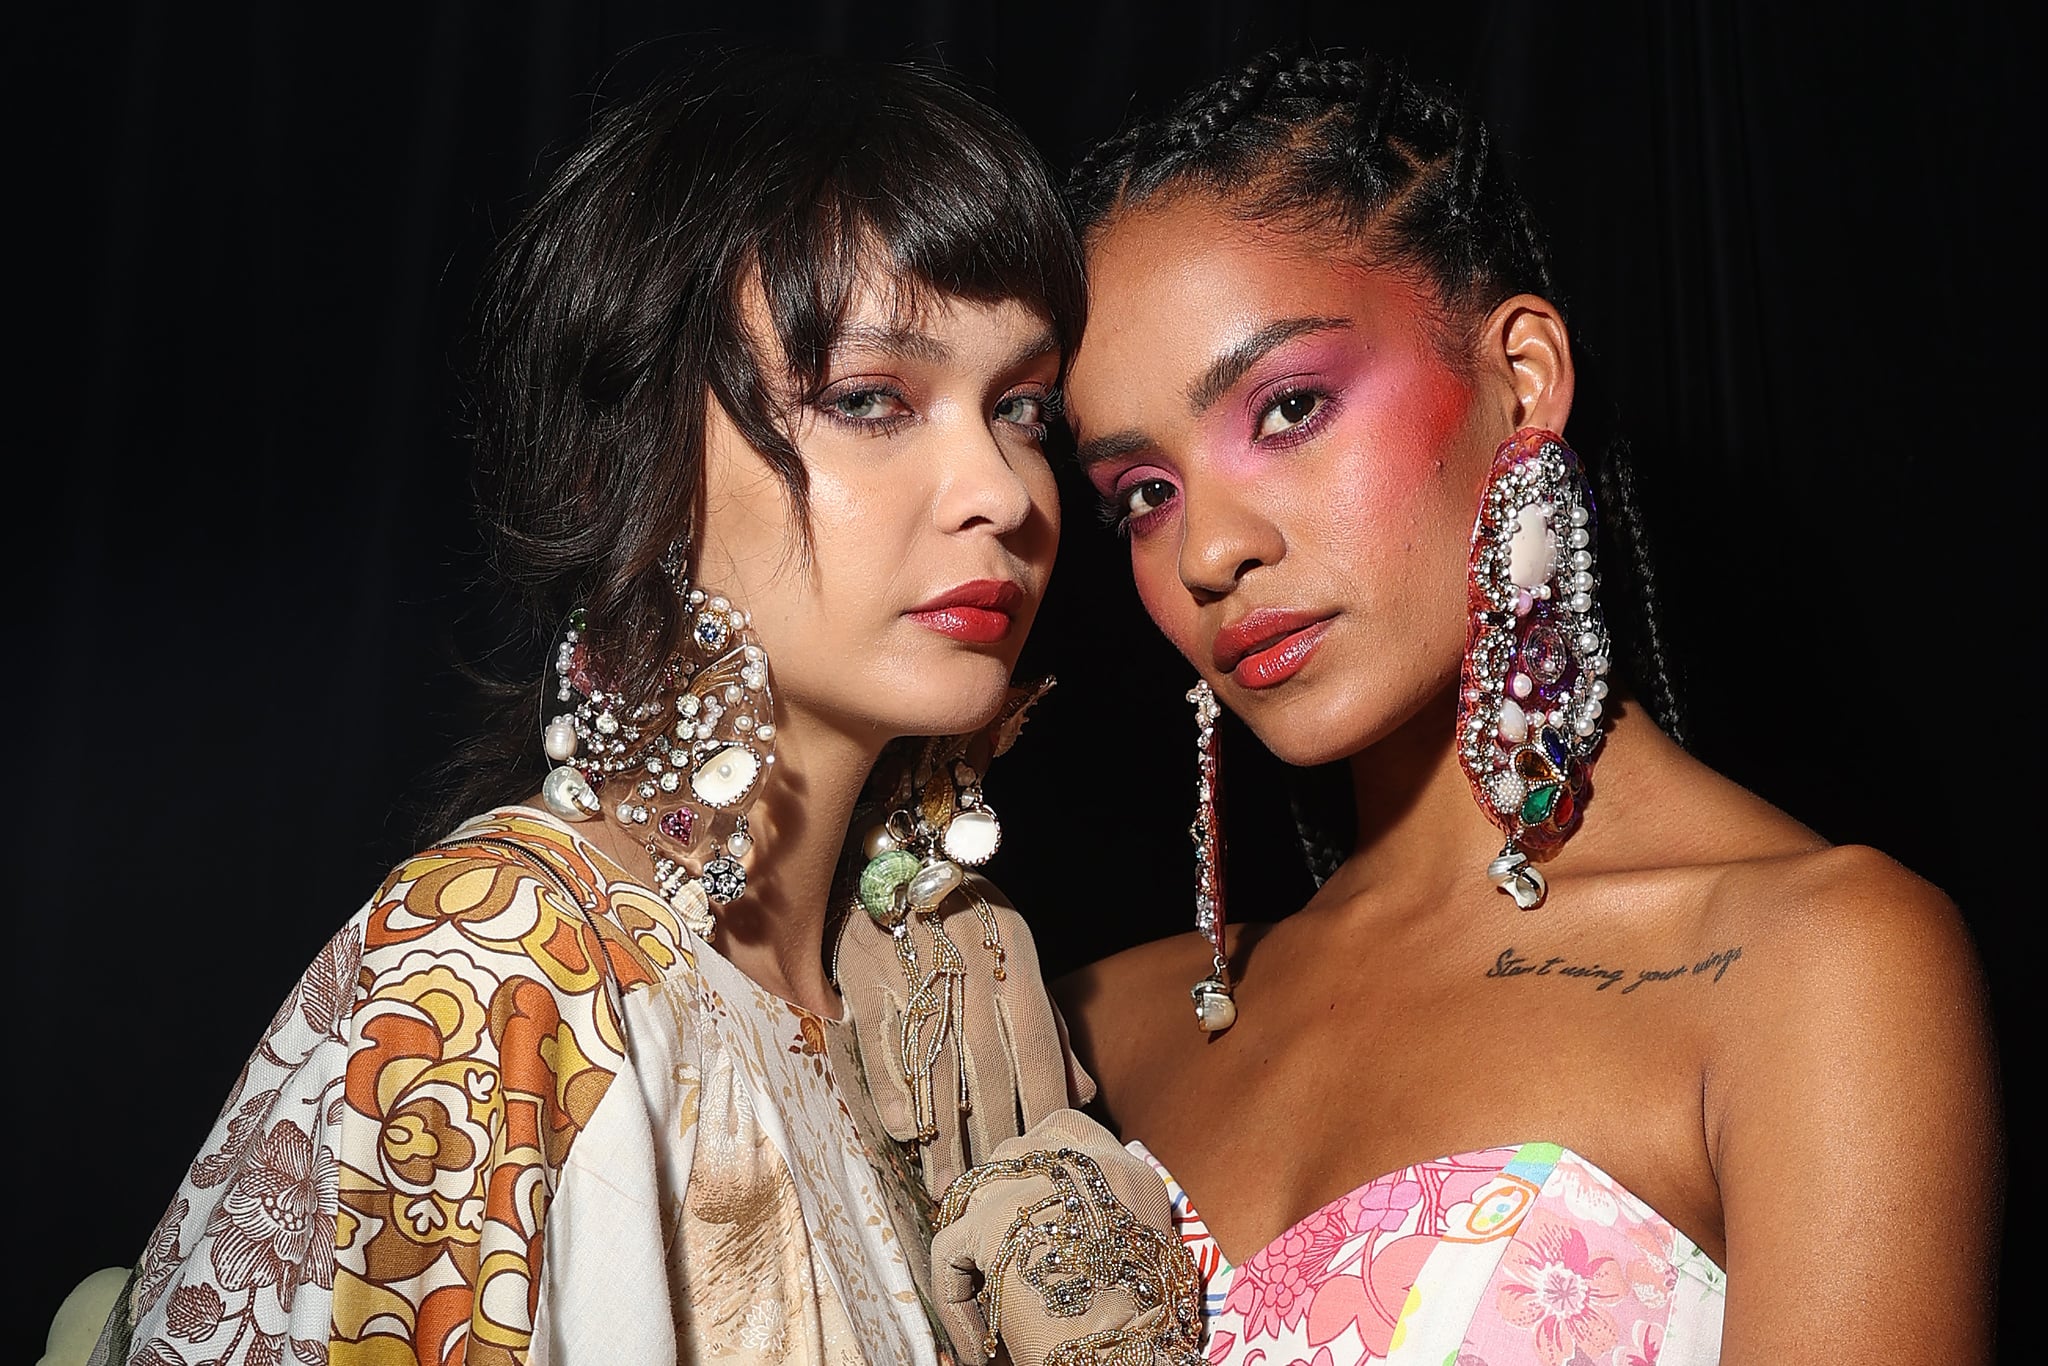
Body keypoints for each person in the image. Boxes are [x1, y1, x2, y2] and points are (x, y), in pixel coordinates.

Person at [82, 51, 1110, 1366]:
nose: (1003, 492)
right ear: (630, 458)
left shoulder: (937, 1010)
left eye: (1021, 408)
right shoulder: (496, 964)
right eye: (868, 398)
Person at [1048, 49, 2001, 1364]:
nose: (1209, 549)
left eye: (1291, 407)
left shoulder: (1808, 964)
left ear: (1524, 378)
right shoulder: (1086, 1027)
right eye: (1143, 491)